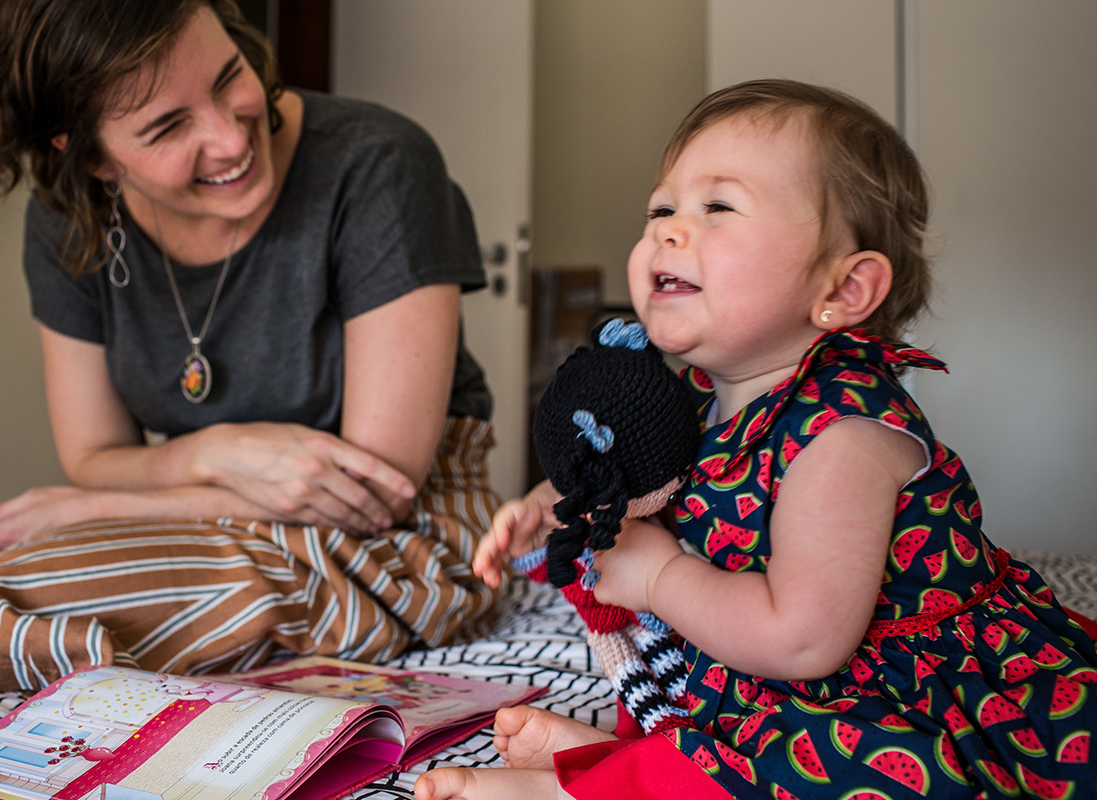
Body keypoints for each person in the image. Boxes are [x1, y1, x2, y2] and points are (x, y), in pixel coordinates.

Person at [415, 79, 1097, 800]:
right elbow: (644, 483)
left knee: (843, 770)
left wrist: (659, 578)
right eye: (661, 209)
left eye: (717, 208)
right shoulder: (696, 398)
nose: (666, 232)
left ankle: (590, 788)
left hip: (891, 689)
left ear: (844, 290)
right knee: (694, 677)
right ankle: (633, 762)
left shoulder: (846, 435)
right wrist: (551, 505)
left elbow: (802, 641)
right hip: (752, 672)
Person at [0, 0, 503, 694]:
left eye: (227, 77)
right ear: (91, 157)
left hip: (399, 539)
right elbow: (92, 454)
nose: (229, 138)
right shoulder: (70, 220)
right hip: (214, 510)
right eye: (167, 126)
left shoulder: (380, 165)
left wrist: (100, 508)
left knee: (7, 593)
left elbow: (373, 492)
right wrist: (218, 452)